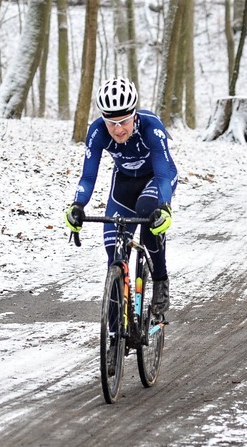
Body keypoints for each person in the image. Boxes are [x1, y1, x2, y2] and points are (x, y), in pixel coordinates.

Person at [65, 76, 179, 318]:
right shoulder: (97, 132)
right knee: (113, 250)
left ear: (134, 114)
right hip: (125, 182)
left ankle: (160, 279)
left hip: (156, 179)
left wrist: (165, 207)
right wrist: (77, 205)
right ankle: (116, 334)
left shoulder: (151, 127)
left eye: (124, 121)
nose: (118, 129)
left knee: (149, 215)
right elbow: (87, 178)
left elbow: (163, 173)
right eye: (111, 122)